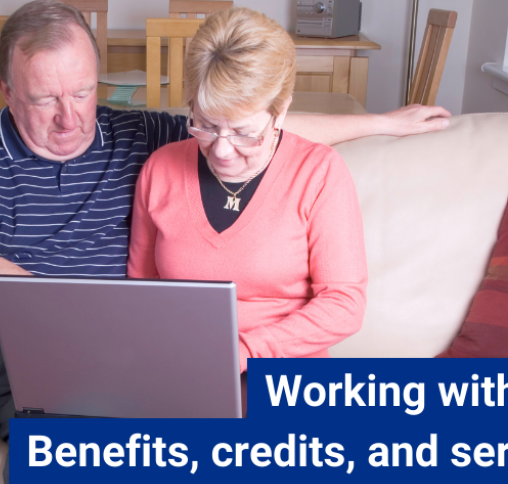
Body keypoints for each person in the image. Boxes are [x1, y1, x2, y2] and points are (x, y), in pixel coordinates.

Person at [0, 1, 450, 484]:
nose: (69, 117)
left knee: (78, 459)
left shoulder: (144, 136)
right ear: (6, 91)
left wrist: (383, 122)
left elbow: (241, 120)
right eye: (44, 98)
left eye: (82, 92)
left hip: (74, 358)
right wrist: (83, 311)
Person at [127, 5, 365, 381]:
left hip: (284, 374)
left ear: (281, 111)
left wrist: (246, 352)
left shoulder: (319, 172)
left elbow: (344, 304)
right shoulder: (160, 170)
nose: (221, 149)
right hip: (185, 370)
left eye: (242, 132)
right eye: (204, 124)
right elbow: (142, 292)